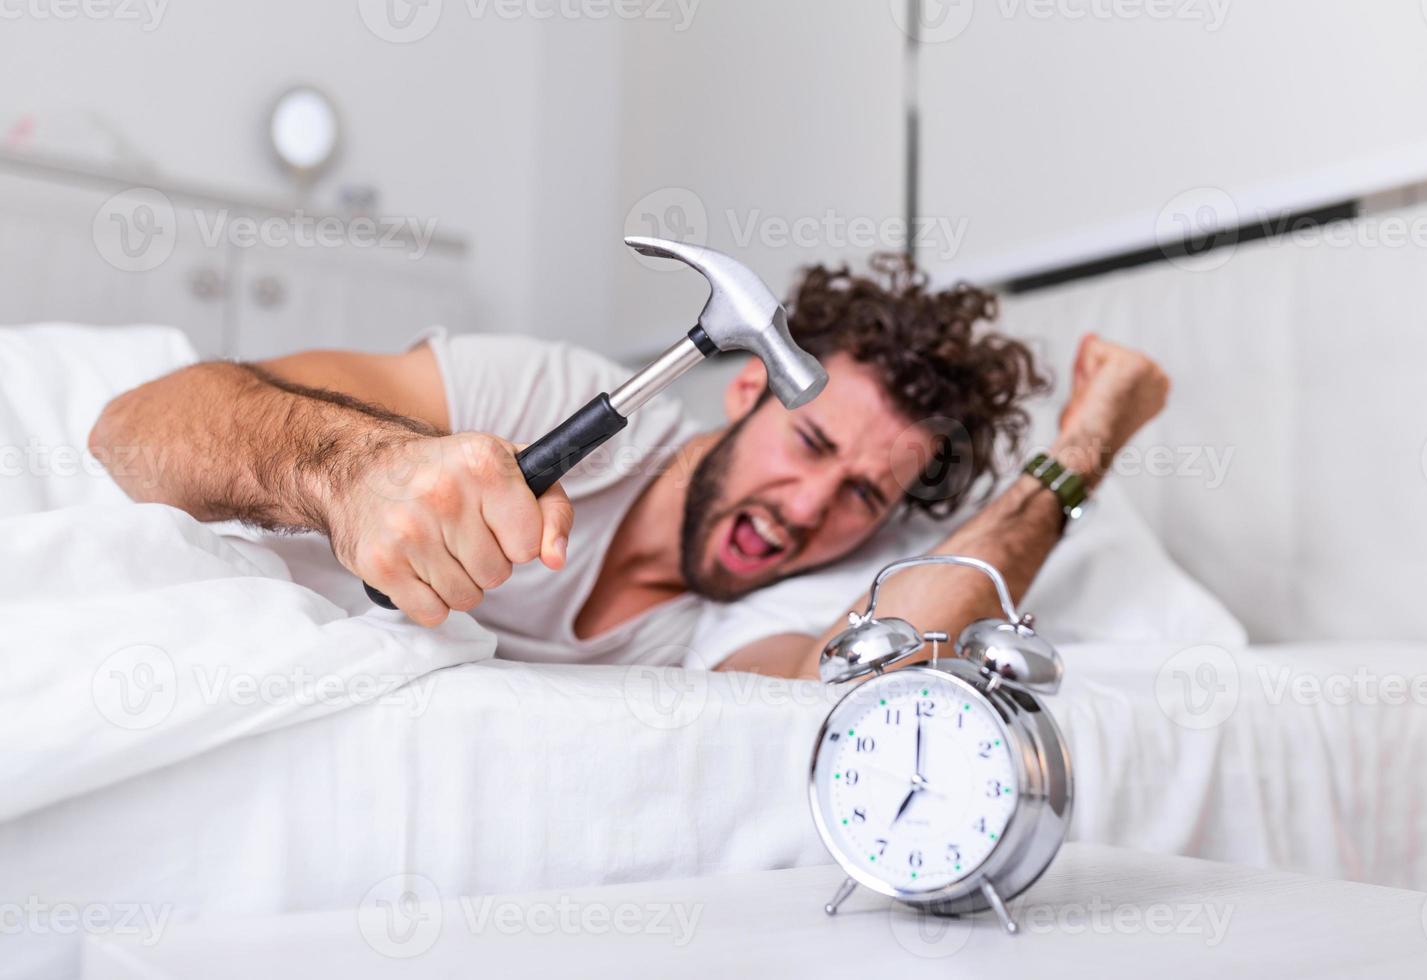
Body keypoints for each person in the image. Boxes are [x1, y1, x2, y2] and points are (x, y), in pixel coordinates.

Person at [89, 256, 1168, 678]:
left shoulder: (738, 622)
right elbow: (143, 423)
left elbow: (866, 682)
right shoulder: (536, 396)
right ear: (747, 386)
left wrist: (1085, 448)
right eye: (811, 441)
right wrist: (356, 469)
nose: (805, 509)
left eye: (861, 496)